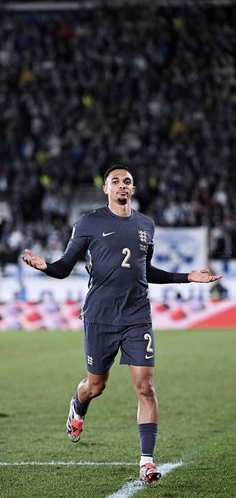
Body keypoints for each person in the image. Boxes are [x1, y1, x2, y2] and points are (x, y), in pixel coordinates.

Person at [21, 165, 222, 483]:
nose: (122, 186)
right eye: (115, 182)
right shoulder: (89, 223)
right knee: (96, 386)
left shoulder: (146, 225)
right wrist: (44, 265)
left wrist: (186, 277)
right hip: (100, 316)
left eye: (127, 181)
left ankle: (147, 461)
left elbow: (147, 271)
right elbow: (63, 268)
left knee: (146, 387)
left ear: (133, 187)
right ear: (106, 189)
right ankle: (78, 403)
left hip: (136, 316)